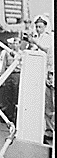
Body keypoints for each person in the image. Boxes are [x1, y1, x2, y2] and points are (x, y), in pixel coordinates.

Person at [26, 14, 54, 144]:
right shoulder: (38, 37)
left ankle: (50, 130)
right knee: (44, 104)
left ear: (45, 27)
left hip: (48, 73)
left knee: (50, 104)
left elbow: (48, 51)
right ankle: (47, 130)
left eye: (40, 27)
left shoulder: (49, 38)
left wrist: (35, 42)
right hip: (38, 74)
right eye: (36, 27)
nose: (38, 29)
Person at [0, 36, 25, 123]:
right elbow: (3, 65)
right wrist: (2, 77)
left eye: (17, 43)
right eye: (14, 43)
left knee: (15, 96)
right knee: (7, 96)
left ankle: (14, 116)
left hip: (17, 75)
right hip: (9, 74)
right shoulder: (7, 53)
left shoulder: (23, 54)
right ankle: (6, 115)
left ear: (20, 44)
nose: (15, 45)